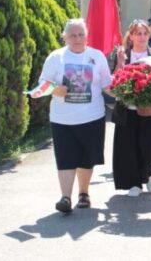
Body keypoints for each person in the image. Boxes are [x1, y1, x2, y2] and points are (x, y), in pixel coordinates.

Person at [39, 19, 112, 213]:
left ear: (87, 36)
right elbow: (43, 83)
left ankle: (83, 193)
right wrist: (55, 89)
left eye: (81, 34)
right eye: (73, 35)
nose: (77, 38)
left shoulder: (97, 57)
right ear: (65, 37)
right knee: (65, 158)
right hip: (62, 118)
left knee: (86, 158)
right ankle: (65, 198)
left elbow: (107, 84)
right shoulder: (56, 57)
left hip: (92, 117)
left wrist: (130, 94)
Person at [112, 20, 151, 197]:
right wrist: (120, 63)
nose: (142, 37)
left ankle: (148, 174)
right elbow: (114, 80)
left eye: (145, 34)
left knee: (148, 145)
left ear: (149, 35)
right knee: (128, 146)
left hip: (150, 109)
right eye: (138, 33)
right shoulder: (123, 54)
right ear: (131, 35)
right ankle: (134, 183)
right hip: (127, 109)